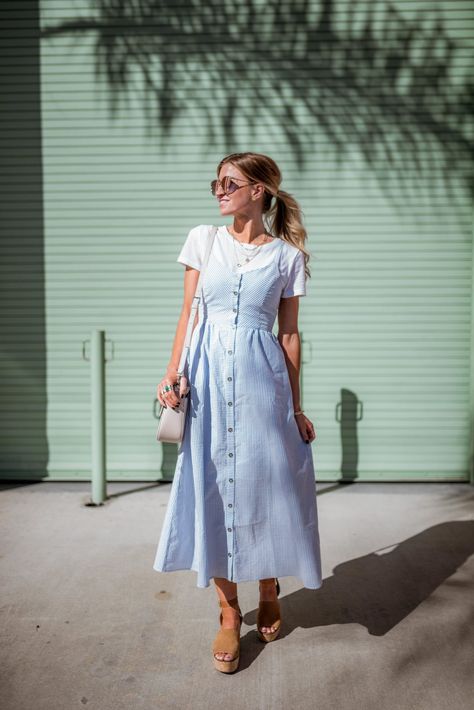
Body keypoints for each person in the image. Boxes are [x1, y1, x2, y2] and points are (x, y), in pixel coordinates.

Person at [153, 151, 322, 673]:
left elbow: (289, 335)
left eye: (230, 182)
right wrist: (170, 372)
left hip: (262, 380)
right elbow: (188, 312)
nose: (220, 190)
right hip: (204, 379)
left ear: (260, 191)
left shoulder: (286, 256)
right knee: (213, 485)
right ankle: (229, 611)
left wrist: (294, 405)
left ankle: (269, 586)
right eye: (217, 183)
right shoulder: (204, 239)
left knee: (266, 485)